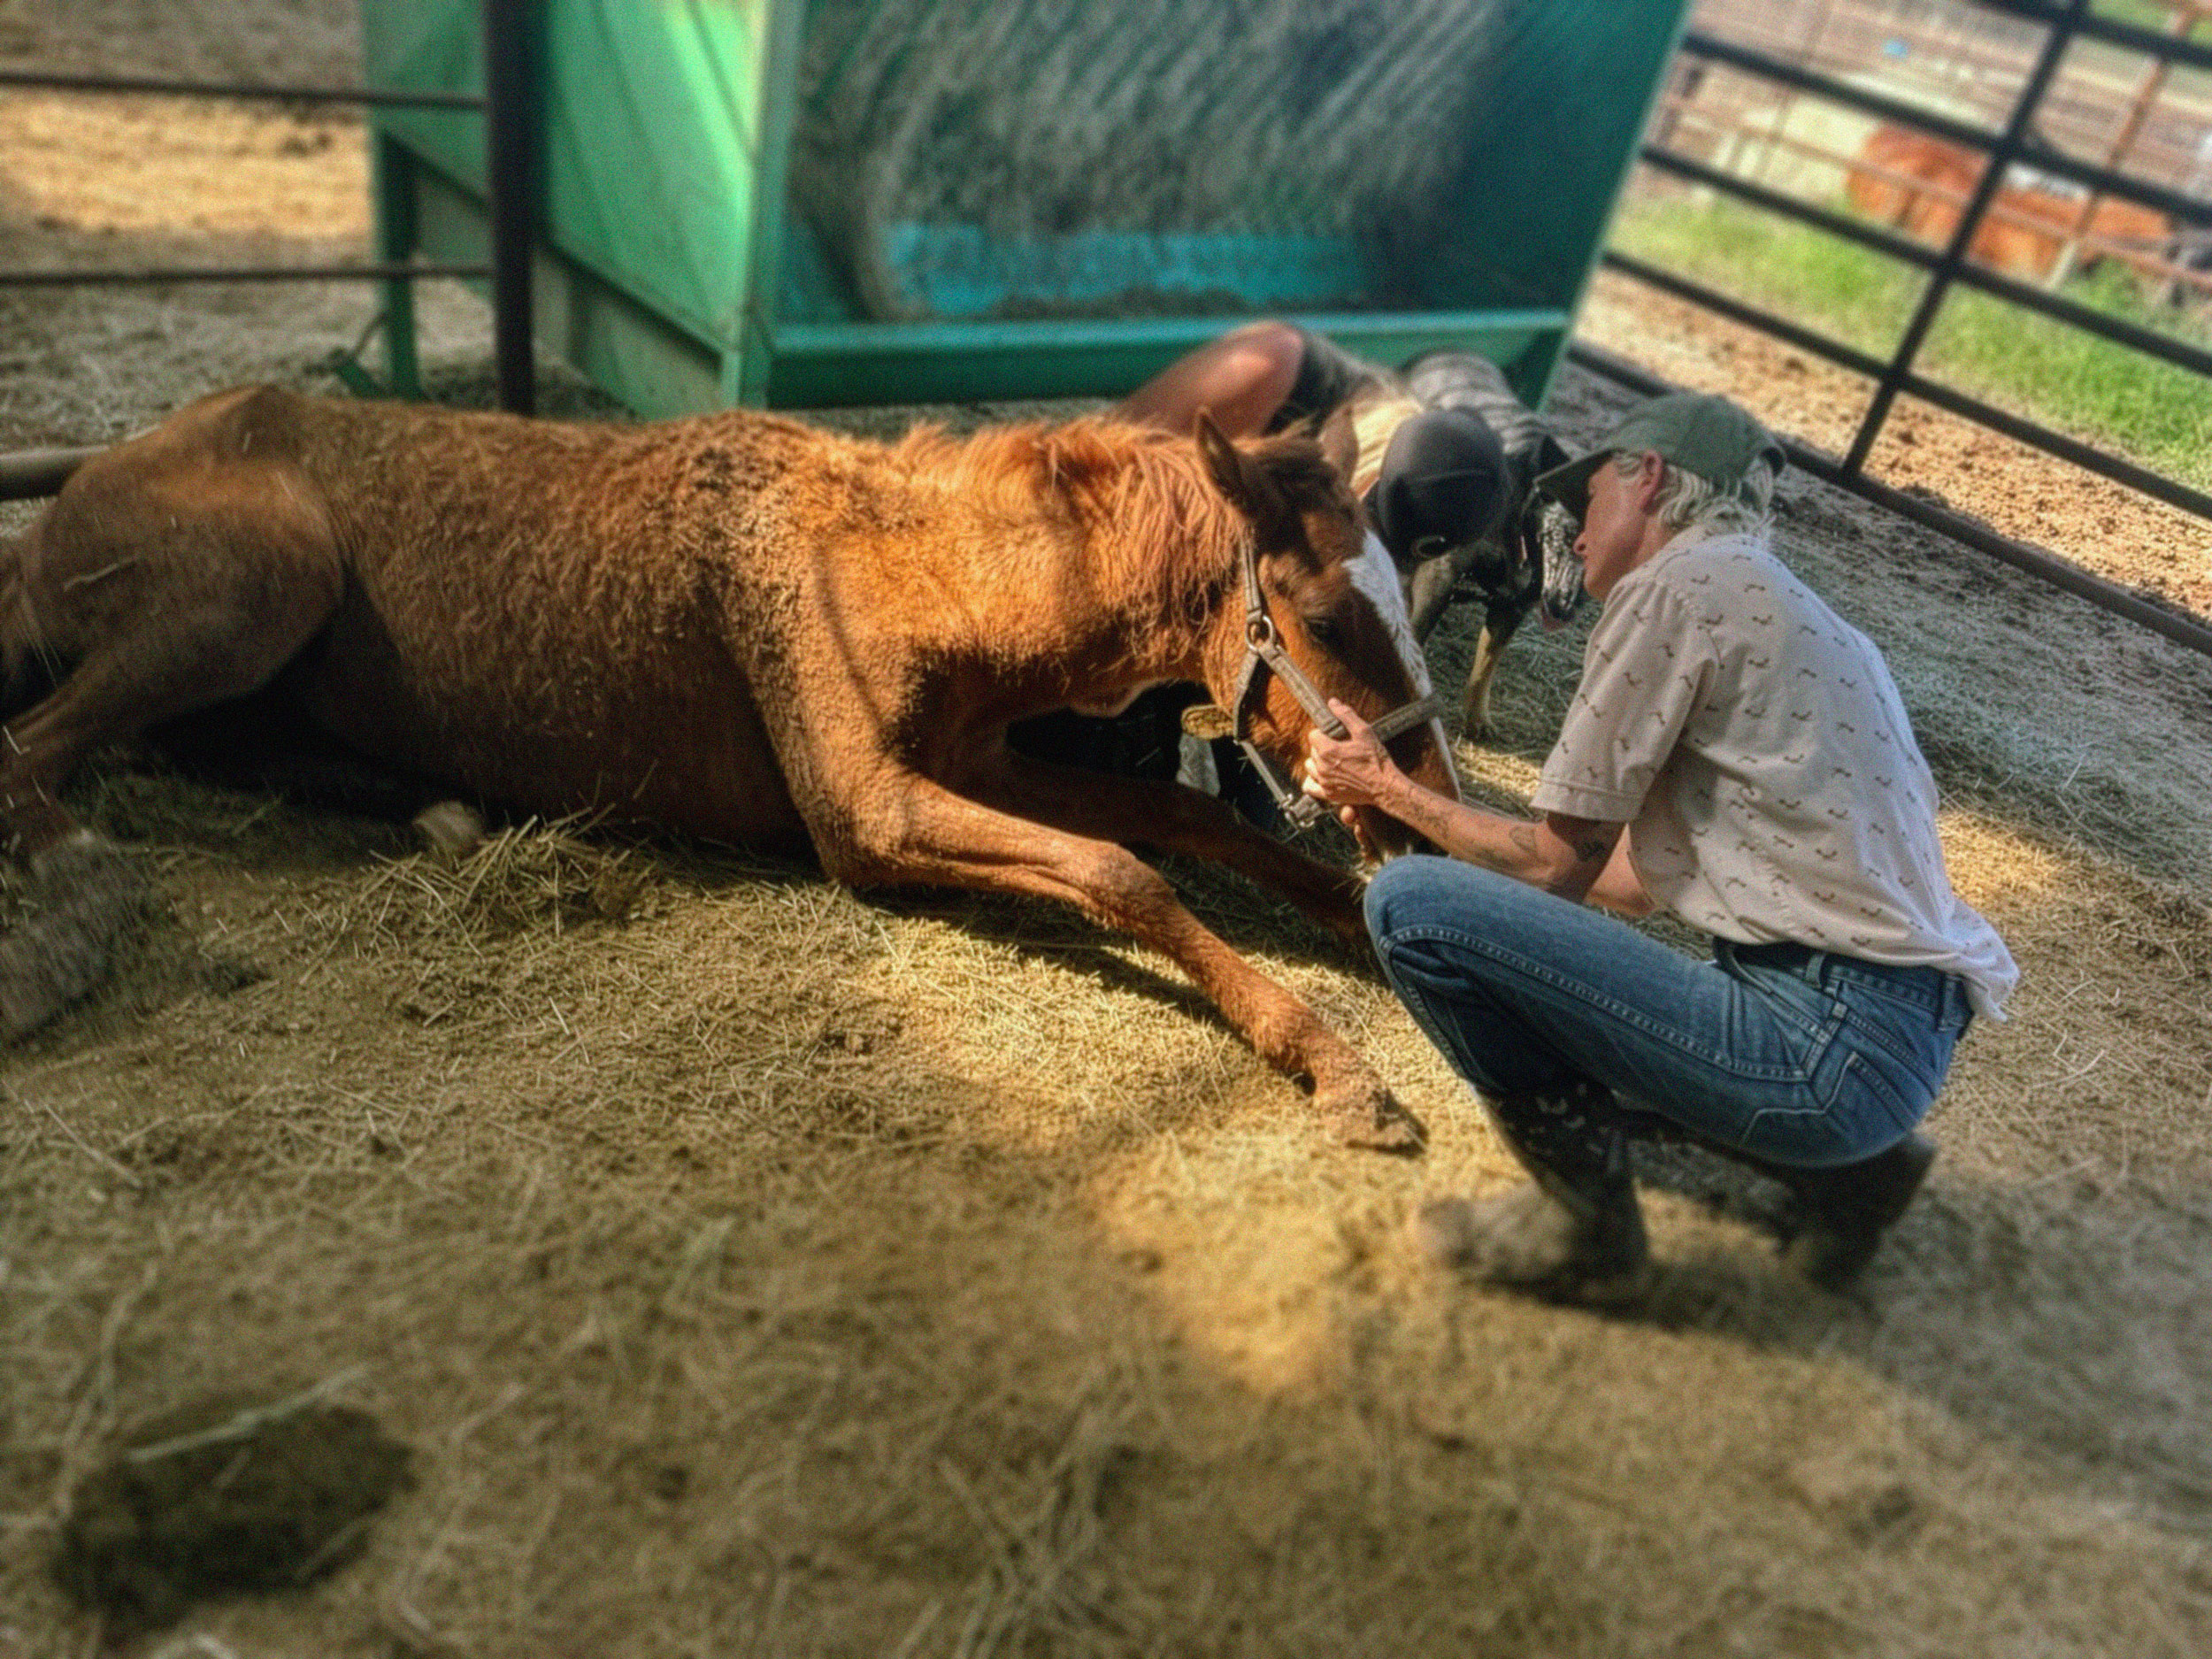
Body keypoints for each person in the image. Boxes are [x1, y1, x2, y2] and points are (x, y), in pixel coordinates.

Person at [1299, 389, 2017, 1297]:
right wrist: (1440, 826)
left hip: (1817, 1046)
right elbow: (1632, 881)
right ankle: (1850, 1171)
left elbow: (1556, 868)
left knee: (1412, 908)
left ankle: (1584, 1233)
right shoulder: (1801, 620)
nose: (1572, 530)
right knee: (1519, 946)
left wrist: (1387, 790)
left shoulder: (1676, 590)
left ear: (1646, 480)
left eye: (1587, 498)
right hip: (1890, 1047)